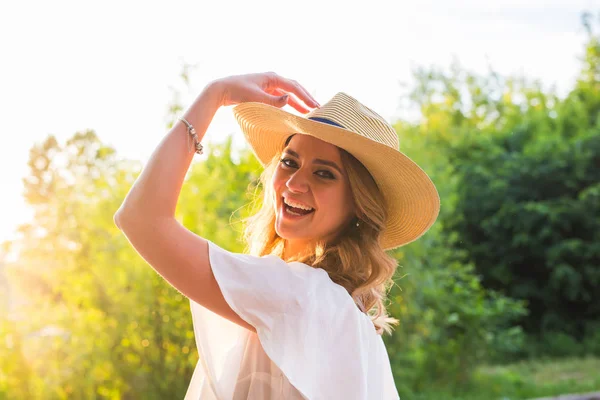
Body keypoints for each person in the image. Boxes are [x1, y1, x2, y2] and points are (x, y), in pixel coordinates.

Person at [114, 72, 440, 399]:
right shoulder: (346, 312)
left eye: (324, 173)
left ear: (359, 204)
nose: (294, 183)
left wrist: (215, 94)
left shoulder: (298, 293)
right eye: (289, 161)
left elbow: (142, 218)